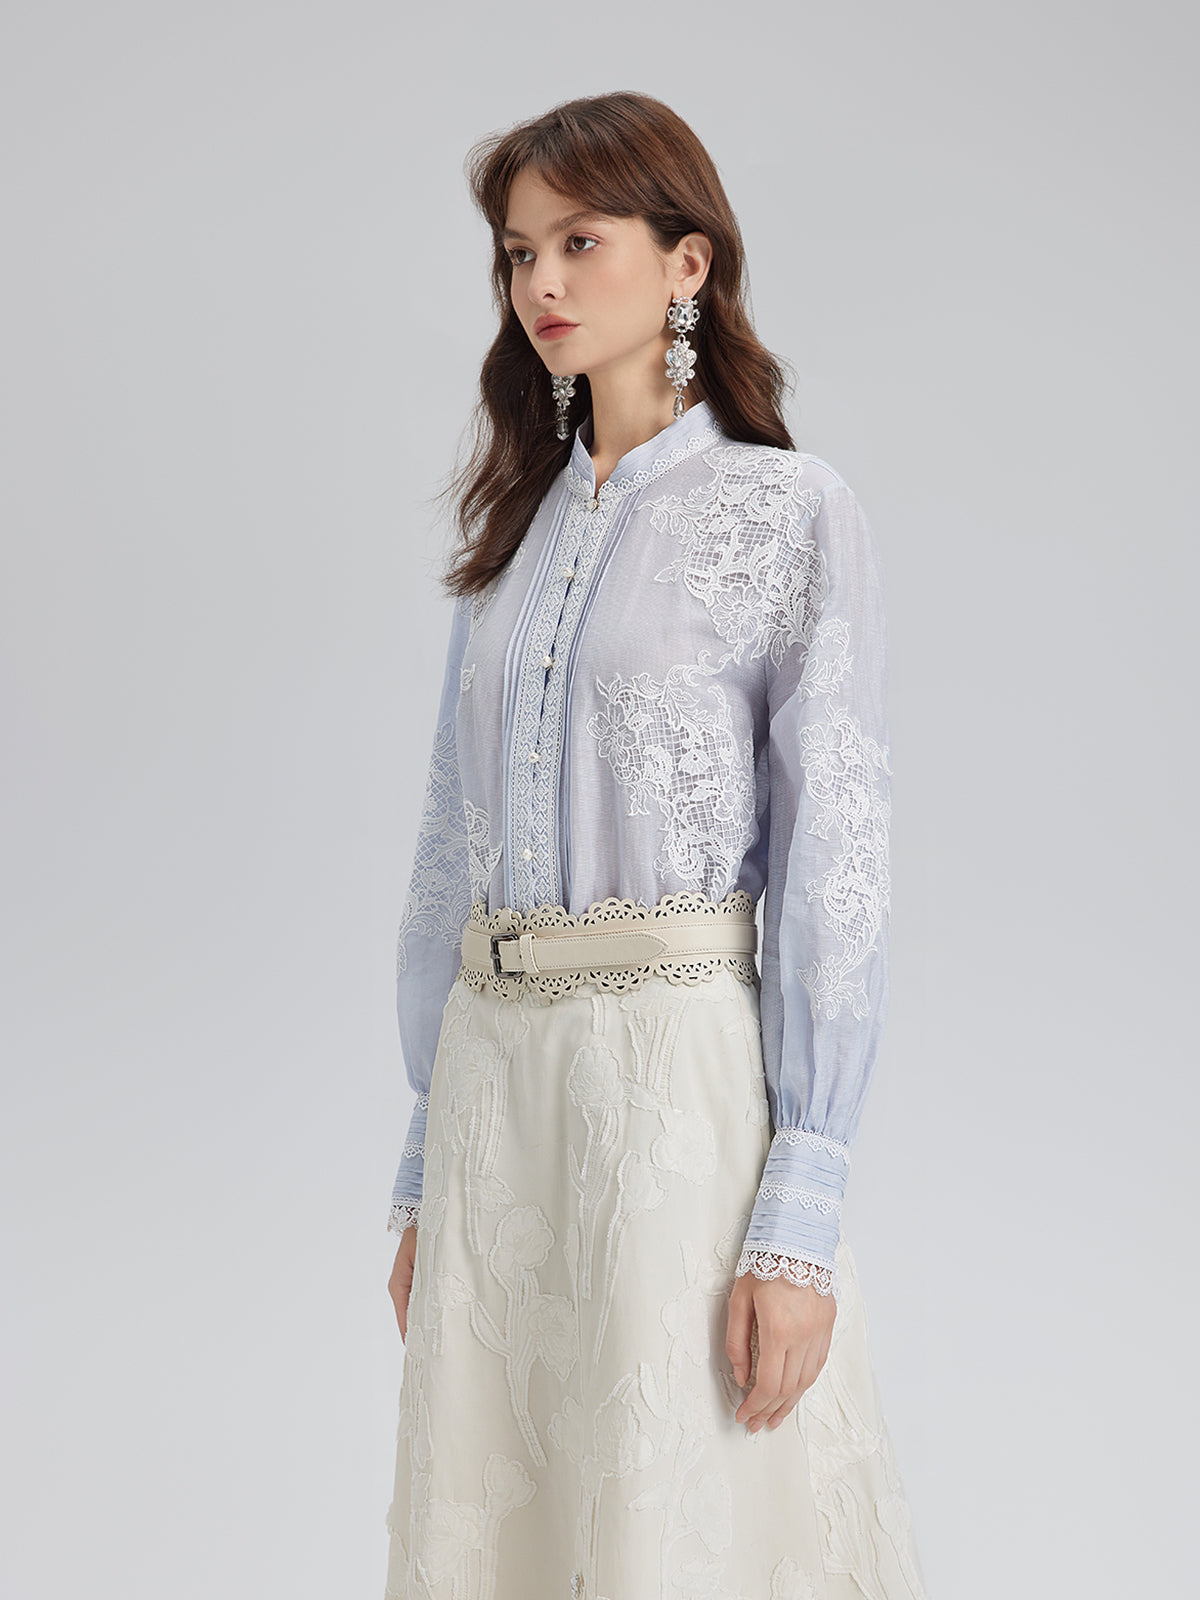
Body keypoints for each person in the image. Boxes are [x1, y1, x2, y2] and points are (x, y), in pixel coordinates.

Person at [383, 90, 928, 1600]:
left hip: (676, 1092)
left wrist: (801, 1210)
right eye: (517, 254)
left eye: (581, 242)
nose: (540, 284)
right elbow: (447, 855)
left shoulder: (788, 512)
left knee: (684, 1518)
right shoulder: (509, 547)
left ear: (688, 262)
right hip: (499, 1100)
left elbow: (837, 863)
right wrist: (425, 1165)